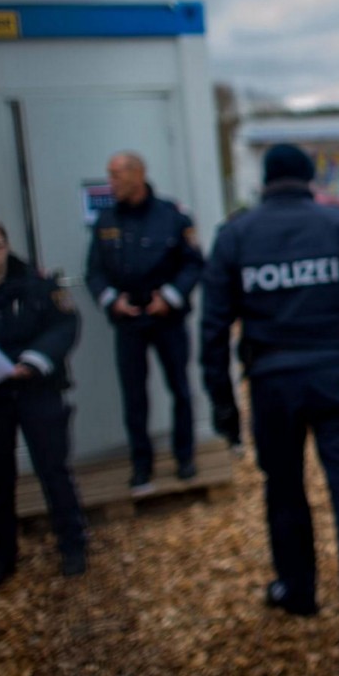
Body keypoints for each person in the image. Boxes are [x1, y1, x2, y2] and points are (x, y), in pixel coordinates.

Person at [199, 143, 339, 676]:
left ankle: (298, 592)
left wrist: (222, 403)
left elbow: (213, 328)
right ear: (309, 179)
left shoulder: (236, 234)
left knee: (283, 490)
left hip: (272, 383)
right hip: (337, 375)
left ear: (265, 180)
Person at [0, 218, 87, 588]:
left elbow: (65, 325)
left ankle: (73, 546)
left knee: (54, 472)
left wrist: (36, 361)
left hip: (36, 391)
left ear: (6, 245)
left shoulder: (38, 283)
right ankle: (0, 557)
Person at [85, 151, 205, 494]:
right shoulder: (106, 219)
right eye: (109, 175)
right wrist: (111, 300)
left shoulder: (172, 216)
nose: (112, 182)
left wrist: (169, 297)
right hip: (129, 321)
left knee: (180, 388)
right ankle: (142, 466)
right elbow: (94, 270)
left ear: (138, 174)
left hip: (167, 318)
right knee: (134, 396)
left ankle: (185, 457)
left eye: (117, 175)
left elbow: (194, 263)